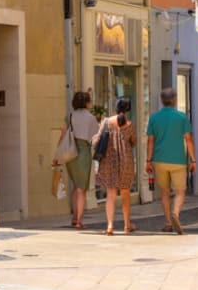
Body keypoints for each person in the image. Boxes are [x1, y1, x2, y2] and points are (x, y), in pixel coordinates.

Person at [146, 87, 195, 234]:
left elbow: (150, 141)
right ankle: (176, 214)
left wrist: (148, 160)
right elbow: (189, 139)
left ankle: (168, 222)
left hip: (159, 160)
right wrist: (193, 160)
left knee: (165, 192)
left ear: (162, 101)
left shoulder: (154, 118)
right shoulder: (181, 117)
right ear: (174, 100)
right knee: (180, 191)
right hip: (178, 160)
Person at [53, 90, 99, 229]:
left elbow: (62, 136)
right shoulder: (91, 118)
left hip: (70, 154)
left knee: (76, 186)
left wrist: (57, 155)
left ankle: (74, 217)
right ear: (86, 102)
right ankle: (79, 220)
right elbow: (94, 137)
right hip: (83, 152)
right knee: (81, 188)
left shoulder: (70, 116)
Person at [92, 97, 137, 235]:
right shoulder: (130, 125)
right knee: (125, 193)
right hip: (126, 161)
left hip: (108, 161)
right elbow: (133, 142)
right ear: (128, 109)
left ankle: (110, 226)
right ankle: (127, 225)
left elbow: (97, 140)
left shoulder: (106, 122)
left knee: (110, 194)